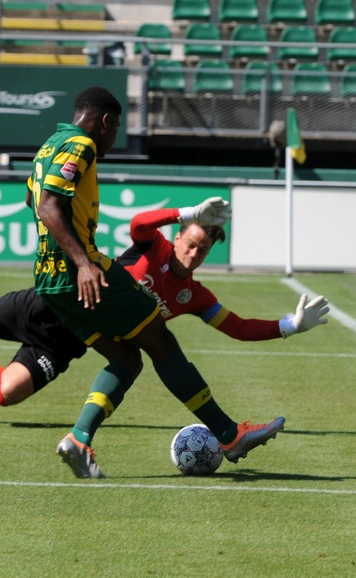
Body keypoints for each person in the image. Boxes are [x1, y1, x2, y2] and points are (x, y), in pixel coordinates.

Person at [26, 85, 321, 478]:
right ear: (107, 121)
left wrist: (290, 326)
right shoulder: (82, 145)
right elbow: (49, 206)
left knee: (127, 359)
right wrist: (82, 261)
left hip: (49, 279)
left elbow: (32, 200)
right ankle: (229, 435)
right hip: (82, 272)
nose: (114, 140)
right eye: (115, 132)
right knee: (163, 343)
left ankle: (79, 439)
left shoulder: (50, 144)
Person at [0, 209, 329, 409]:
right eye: (190, 241)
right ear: (179, 237)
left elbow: (237, 328)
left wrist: (290, 325)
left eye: (202, 249)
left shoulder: (194, 297)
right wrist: (184, 212)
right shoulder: (151, 247)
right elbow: (137, 224)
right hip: (48, 304)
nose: (193, 253)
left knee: (5, 395)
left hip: (69, 340)